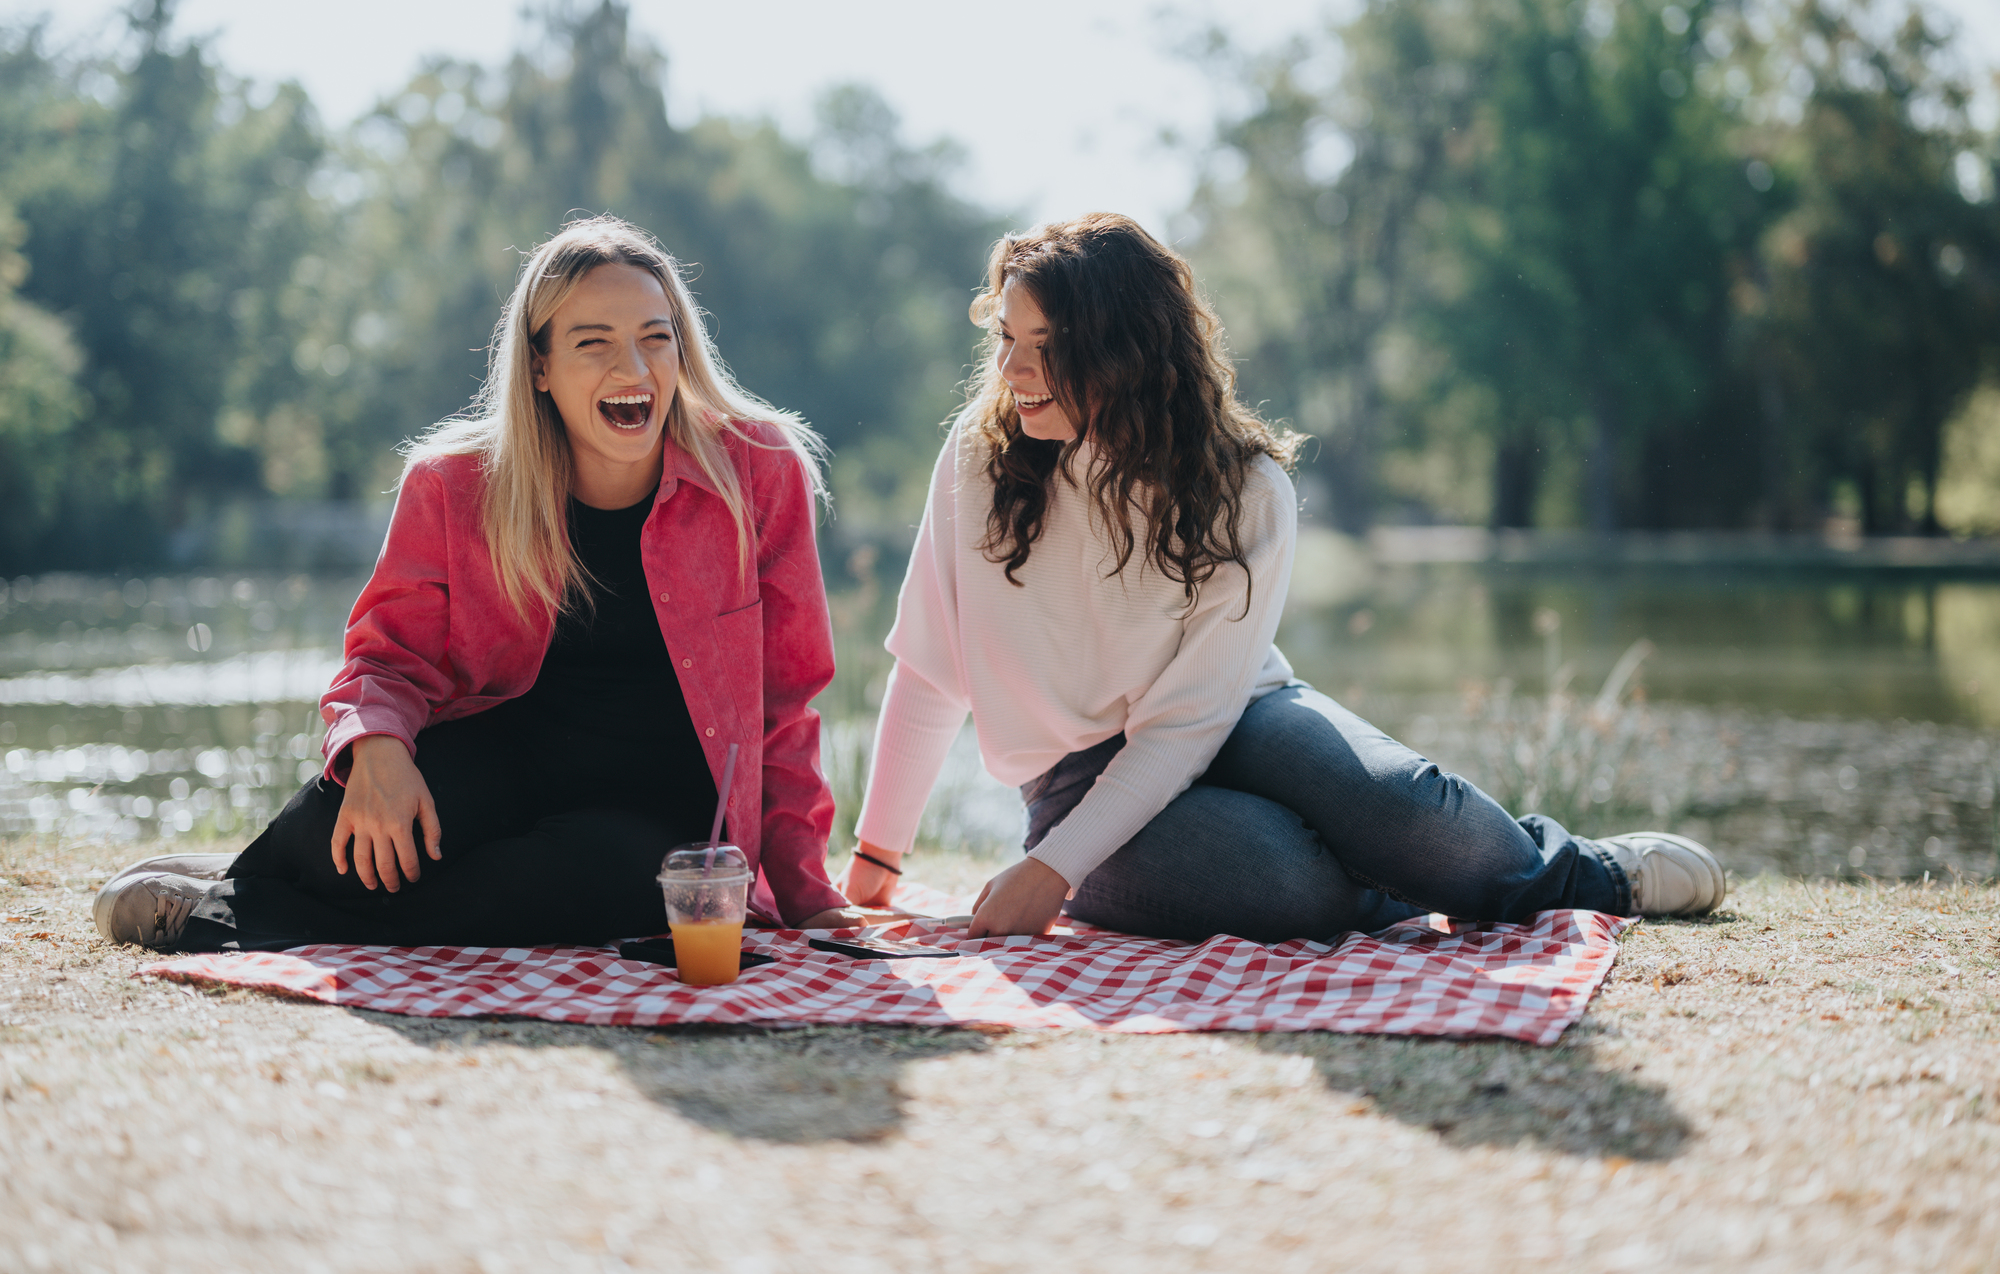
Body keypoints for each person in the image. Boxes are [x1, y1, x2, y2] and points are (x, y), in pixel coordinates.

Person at [835, 212, 1725, 941]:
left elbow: (1185, 726)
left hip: (1236, 715)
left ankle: (1584, 873)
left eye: (1047, 344)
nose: (1014, 370)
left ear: (1126, 349)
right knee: (1281, 884)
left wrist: (1052, 875)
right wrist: (880, 854)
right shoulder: (978, 460)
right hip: (1074, 775)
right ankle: (1403, 896)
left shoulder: (1247, 490)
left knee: (1406, 808)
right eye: (1008, 338)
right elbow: (930, 662)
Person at [96, 216, 869, 951]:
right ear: (539, 366)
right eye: (593, 343)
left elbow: (786, 701)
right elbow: (385, 660)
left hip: (658, 820)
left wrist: (804, 888)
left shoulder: (758, 470)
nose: (633, 370)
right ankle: (268, 874)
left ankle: (219, 913)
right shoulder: (453, 483)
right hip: (507, 758)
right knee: (357, 837)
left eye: (655, 339)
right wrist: (377, 748)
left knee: (578, 891)